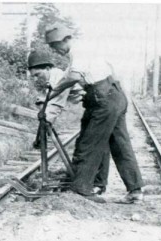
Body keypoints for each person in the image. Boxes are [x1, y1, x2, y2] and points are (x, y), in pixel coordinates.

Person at [44, 23, 144, 203]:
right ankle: (134, 190)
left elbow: (72, 78)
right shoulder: (84, 50)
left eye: (54, 46)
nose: (54, 50)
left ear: (65, 40)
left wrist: (53, 93)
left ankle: (81, 191)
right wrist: (49, 96)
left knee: (88, 144)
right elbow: (69, 77)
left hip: (103, 99)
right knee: (119, 144)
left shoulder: (79, 50)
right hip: (113, 95)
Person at [27, 50, 109, 195]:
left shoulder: (58, 78)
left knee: (90, 145)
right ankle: (95, 183)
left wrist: (44, 126)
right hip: (95, 102)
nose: (36, 79)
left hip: (101, 100)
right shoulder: (54, 77)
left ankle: (93, 185)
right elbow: (48, 100)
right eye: (33, 76)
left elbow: (56, 105)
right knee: (96, 144)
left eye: (37, 74)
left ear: (47, 68)